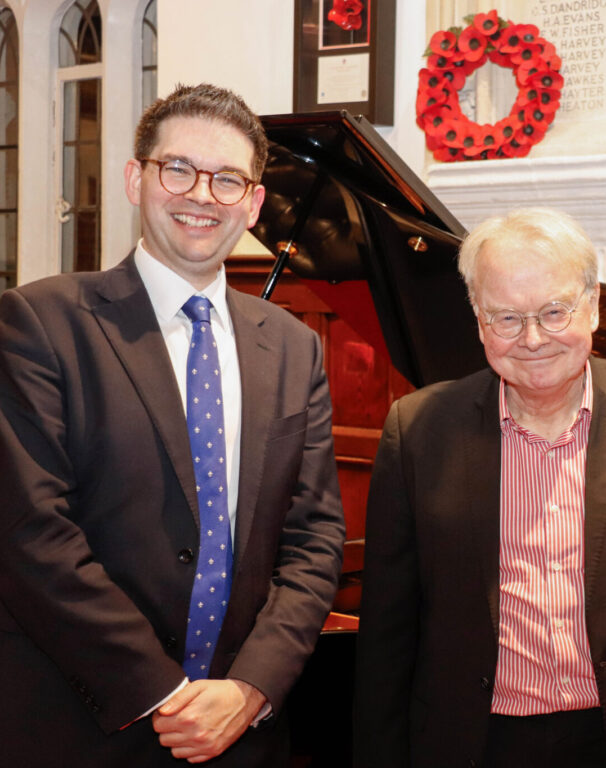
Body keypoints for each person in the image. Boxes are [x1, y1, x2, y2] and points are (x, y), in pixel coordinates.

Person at [0, 83, 345, 767]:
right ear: (136, 178)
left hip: (241, 730)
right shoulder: (39, 323)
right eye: (178, 169)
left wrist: (250, 687)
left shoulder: (294, 345)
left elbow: (315, 538)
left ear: (252, 203)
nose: (201, 195)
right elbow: (31, 534)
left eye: (227, 180)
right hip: (85, 720)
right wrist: (161, 693)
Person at [354, 207, 606, 767]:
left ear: (595, 305)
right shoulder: (417, 430)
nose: (532, 339)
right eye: (506, 318)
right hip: (475, 743)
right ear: (478, 320)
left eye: (554, 312)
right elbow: (386, 637)